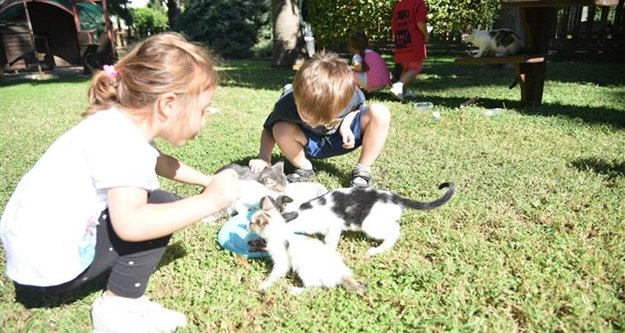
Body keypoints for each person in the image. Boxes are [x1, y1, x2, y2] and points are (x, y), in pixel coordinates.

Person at [0, 33, 241, 333]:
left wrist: (209, 180)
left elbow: (161, 162)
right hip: (51, 270)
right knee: (162, 207)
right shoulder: (125, 145)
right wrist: (209, 201)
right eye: (203, 110)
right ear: (168, 103)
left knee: (160, 203)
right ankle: (116, 309)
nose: (204, 121)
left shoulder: (119, 124)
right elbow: (132, 224)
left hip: (33, 256)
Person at [248, 52, 391, 188]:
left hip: (340, 139)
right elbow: (268, 130)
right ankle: (304, 167)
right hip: (308, 142)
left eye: (326, 118)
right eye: (307, 117)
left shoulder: (349, 95)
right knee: (279, 128)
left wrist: (346, 125)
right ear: (296, 100)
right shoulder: (286, 104)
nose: (316, 123)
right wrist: (264, 157)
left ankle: (363, 169)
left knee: (380, 113)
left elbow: (357, 109)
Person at [390, 0, 430, 102]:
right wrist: (426, 34)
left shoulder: (400, 5)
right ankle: (398, 86)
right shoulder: (418, 3)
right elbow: (420, 22)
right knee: (416, 66)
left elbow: (394, 25)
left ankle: (403, 92)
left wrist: (398, 37)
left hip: (401, 40)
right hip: (414, 40)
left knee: (407, 67)